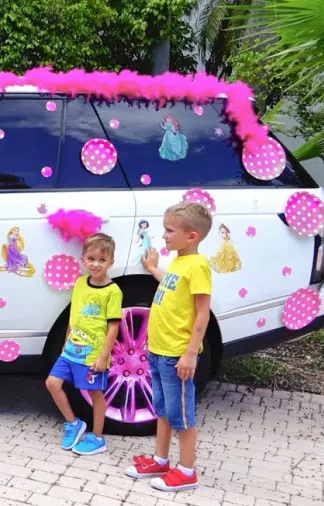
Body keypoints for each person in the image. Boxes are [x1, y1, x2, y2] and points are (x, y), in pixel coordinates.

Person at [126, 201, 212, 491]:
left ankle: (187, 471)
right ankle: (161, 460)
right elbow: (173, 287)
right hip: (159, 351)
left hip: (177, 355)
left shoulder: (198, 266)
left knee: (181, 416)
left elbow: (202, 312)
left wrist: (190, 353)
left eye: (170, 230)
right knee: (162, 410)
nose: (164, 235)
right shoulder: (179, 261)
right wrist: (153, 269)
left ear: (192, 236)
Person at [45, 233, 122, 455]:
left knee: (95, 393)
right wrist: (65, 343)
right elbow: (74, 316)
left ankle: (97, 438)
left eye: (102, 260)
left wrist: (103, 356)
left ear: (111, 262)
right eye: (91, 259)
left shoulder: (112, 292)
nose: (96, 264)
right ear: (83, 259)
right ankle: (73, 423)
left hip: (92, 355)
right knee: (52, 383)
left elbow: (113, 326)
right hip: (71, 349)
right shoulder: (80, 284)